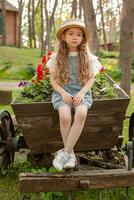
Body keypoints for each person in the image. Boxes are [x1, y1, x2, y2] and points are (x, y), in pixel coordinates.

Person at [46, 18, 103, 171]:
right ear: (63, 37)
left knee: (81, 114)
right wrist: (63, 92)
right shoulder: (57, 57)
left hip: (81, 92)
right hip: (62, 92)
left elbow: (91, 79)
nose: (74, 37)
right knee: (64, 116)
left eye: (79, 34)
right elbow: (53, 80)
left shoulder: (88, 57)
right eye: (70, 33)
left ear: (83, 38)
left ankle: (64, 153)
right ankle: (70, 154)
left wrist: (83, 92)